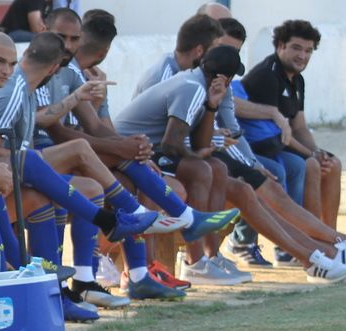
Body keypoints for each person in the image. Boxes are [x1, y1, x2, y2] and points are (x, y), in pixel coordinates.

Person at [114, 46, 346, 283]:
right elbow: (173, 143)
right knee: (210, 171)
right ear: (225, 77)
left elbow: (217, 136)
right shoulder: (191, 87)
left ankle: (313, 253)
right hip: (135, 153)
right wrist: (206, 149)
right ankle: (199, 261)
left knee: (223, 172)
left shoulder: (204, 87)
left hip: (152, 151)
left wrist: (213, 108)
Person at [238, 19, 341, 231]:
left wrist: (317, 151)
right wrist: (311, 156)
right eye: (296, 48)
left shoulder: (297, 79)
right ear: (280, 46)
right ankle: (313, 237)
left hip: (281, 142)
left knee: (333, 164)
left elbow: (299, 127)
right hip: (261, 146)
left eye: (308, 51)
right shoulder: (267, 75)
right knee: (311, 165)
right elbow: (279, 134)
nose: (302, 56)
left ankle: (329, 234)